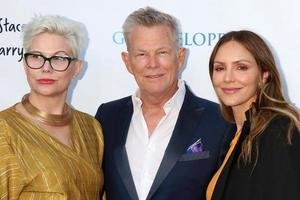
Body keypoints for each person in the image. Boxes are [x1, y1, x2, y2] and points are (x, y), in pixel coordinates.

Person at [95, 7, 234, 200]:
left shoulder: (220, 120)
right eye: (142, 54)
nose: (152, 64)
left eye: (162, 52)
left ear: (180, 57)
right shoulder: (106, 117)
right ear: (127, 62)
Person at [0, 15, 104, 199]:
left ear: (77, 68)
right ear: (25, 64)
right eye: (36, 57)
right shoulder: (4, 130)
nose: (46, 68)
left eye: (59, 58)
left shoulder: (91, 128)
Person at [206, 30, 300, 200]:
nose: (228, 78)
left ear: (264, 75)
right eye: (220, 68)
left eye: (241, 67)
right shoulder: (236, 133)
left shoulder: (279, 131)